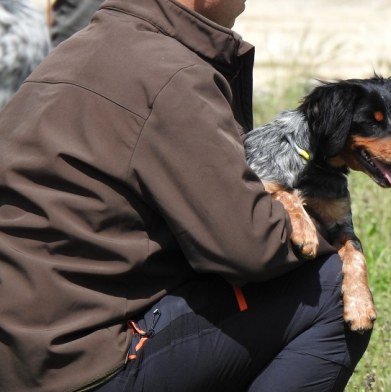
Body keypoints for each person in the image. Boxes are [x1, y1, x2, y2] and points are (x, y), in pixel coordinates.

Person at [0, 0, 371, 391]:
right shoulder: (171, 73)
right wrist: (329, 226)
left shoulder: (80, 50)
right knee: (332, 282)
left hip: (23, 351)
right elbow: (250, 247)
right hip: (81, 364)